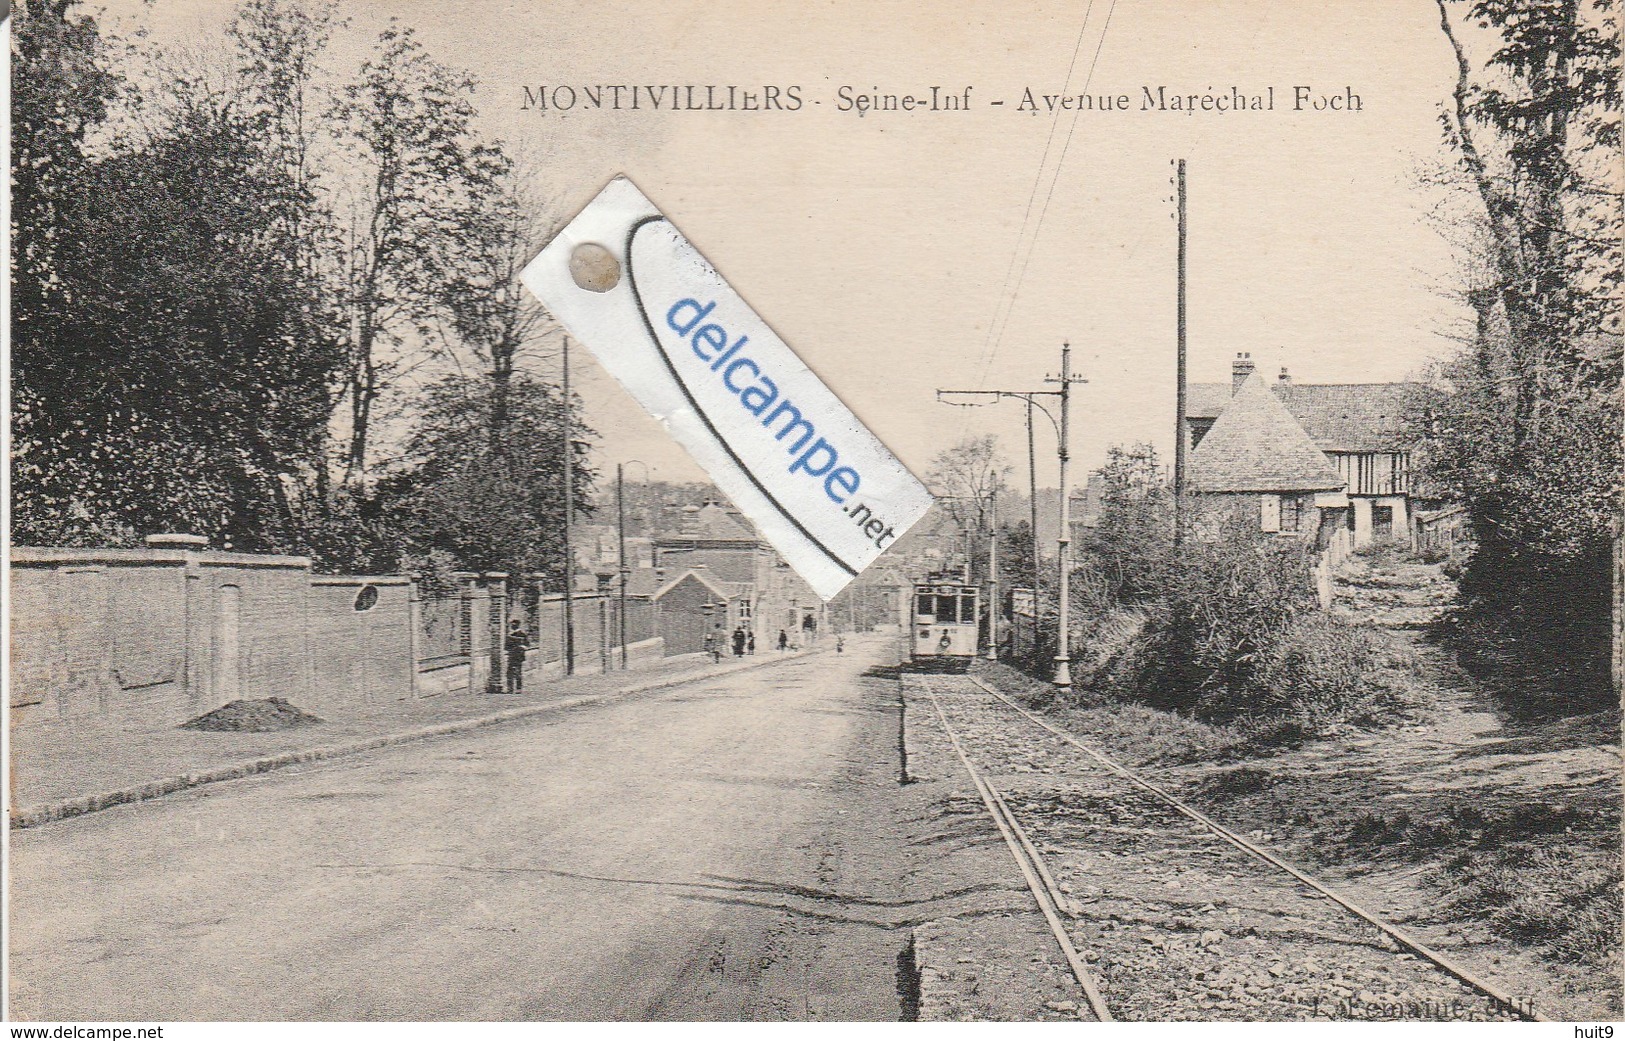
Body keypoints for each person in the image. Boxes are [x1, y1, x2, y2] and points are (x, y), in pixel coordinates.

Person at [505, 618, 529, 695]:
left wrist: (520, 647)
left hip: (518, 656)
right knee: (509, 672)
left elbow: (527, 645)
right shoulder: (510, 635)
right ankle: (510, 689)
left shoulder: (522, 634)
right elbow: (507, 646)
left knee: (518, 672)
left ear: (517, 625)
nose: (512, 626)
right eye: (512, 625)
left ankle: (519, 688)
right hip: (511, 655)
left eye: (514, 625)